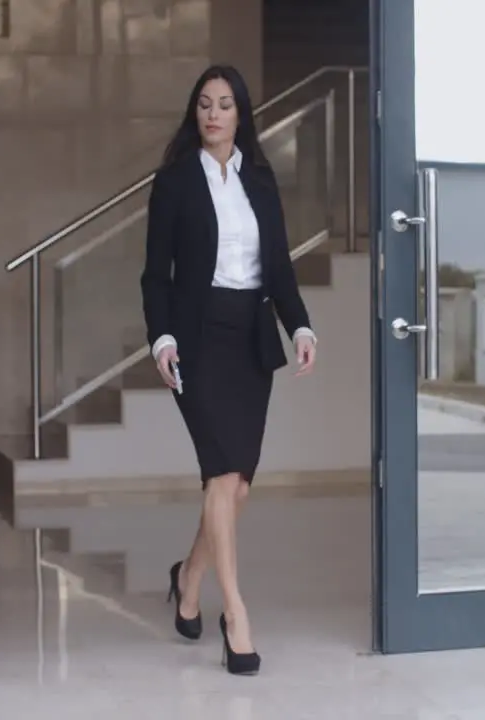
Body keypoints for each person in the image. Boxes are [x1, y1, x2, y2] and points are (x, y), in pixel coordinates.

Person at [140, 64, 318, 676]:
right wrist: (161, 338)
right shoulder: (173, 182)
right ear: (196, 114)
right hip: (195, 338)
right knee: (221, 473)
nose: (214, 114)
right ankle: (234, 612)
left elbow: (281, 269)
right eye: (204, 104)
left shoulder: (261, 183)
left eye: (225, 104)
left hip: (248, 336)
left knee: (237, 484)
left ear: (241, 115)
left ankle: (188, 575)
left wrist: (300, 325)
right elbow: (154, 274)